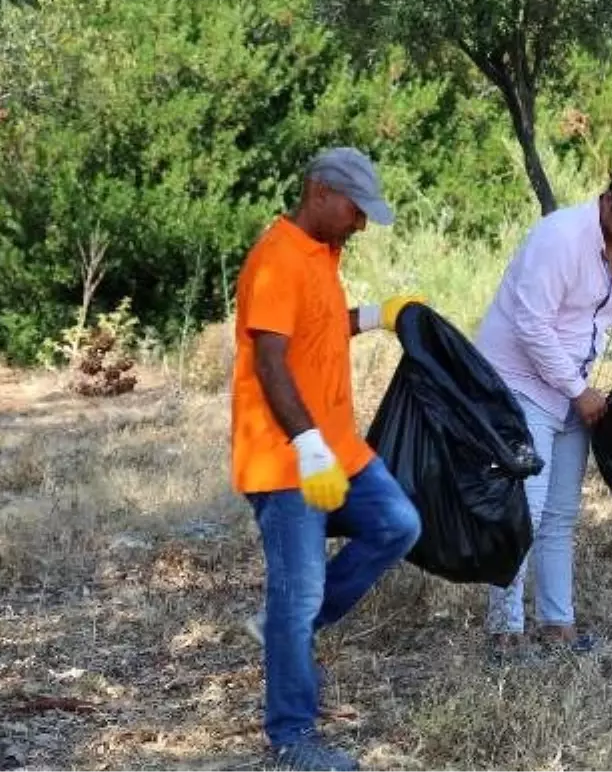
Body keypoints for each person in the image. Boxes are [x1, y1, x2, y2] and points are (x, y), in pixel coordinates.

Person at [230, 147, 424, 771]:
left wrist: (375, 316)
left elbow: (315, 329)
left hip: (339, 447)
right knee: (298, 591)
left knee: (398, 525)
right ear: (319, 191)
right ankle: (291, 739)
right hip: (287, 459)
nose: (361, 224)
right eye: (355, 210)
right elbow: (270, 361)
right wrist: (307, 446)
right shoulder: (275, 260)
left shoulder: (323, 253)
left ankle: (287, 629)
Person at [474, 154, 612, 659]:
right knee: (523, 511)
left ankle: (558, 627)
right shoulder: (559, 238)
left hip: (572, 388)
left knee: (560, 514)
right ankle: (504, 635)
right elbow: (532, 326)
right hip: (520, 384)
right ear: (608, 200)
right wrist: (579, 390)